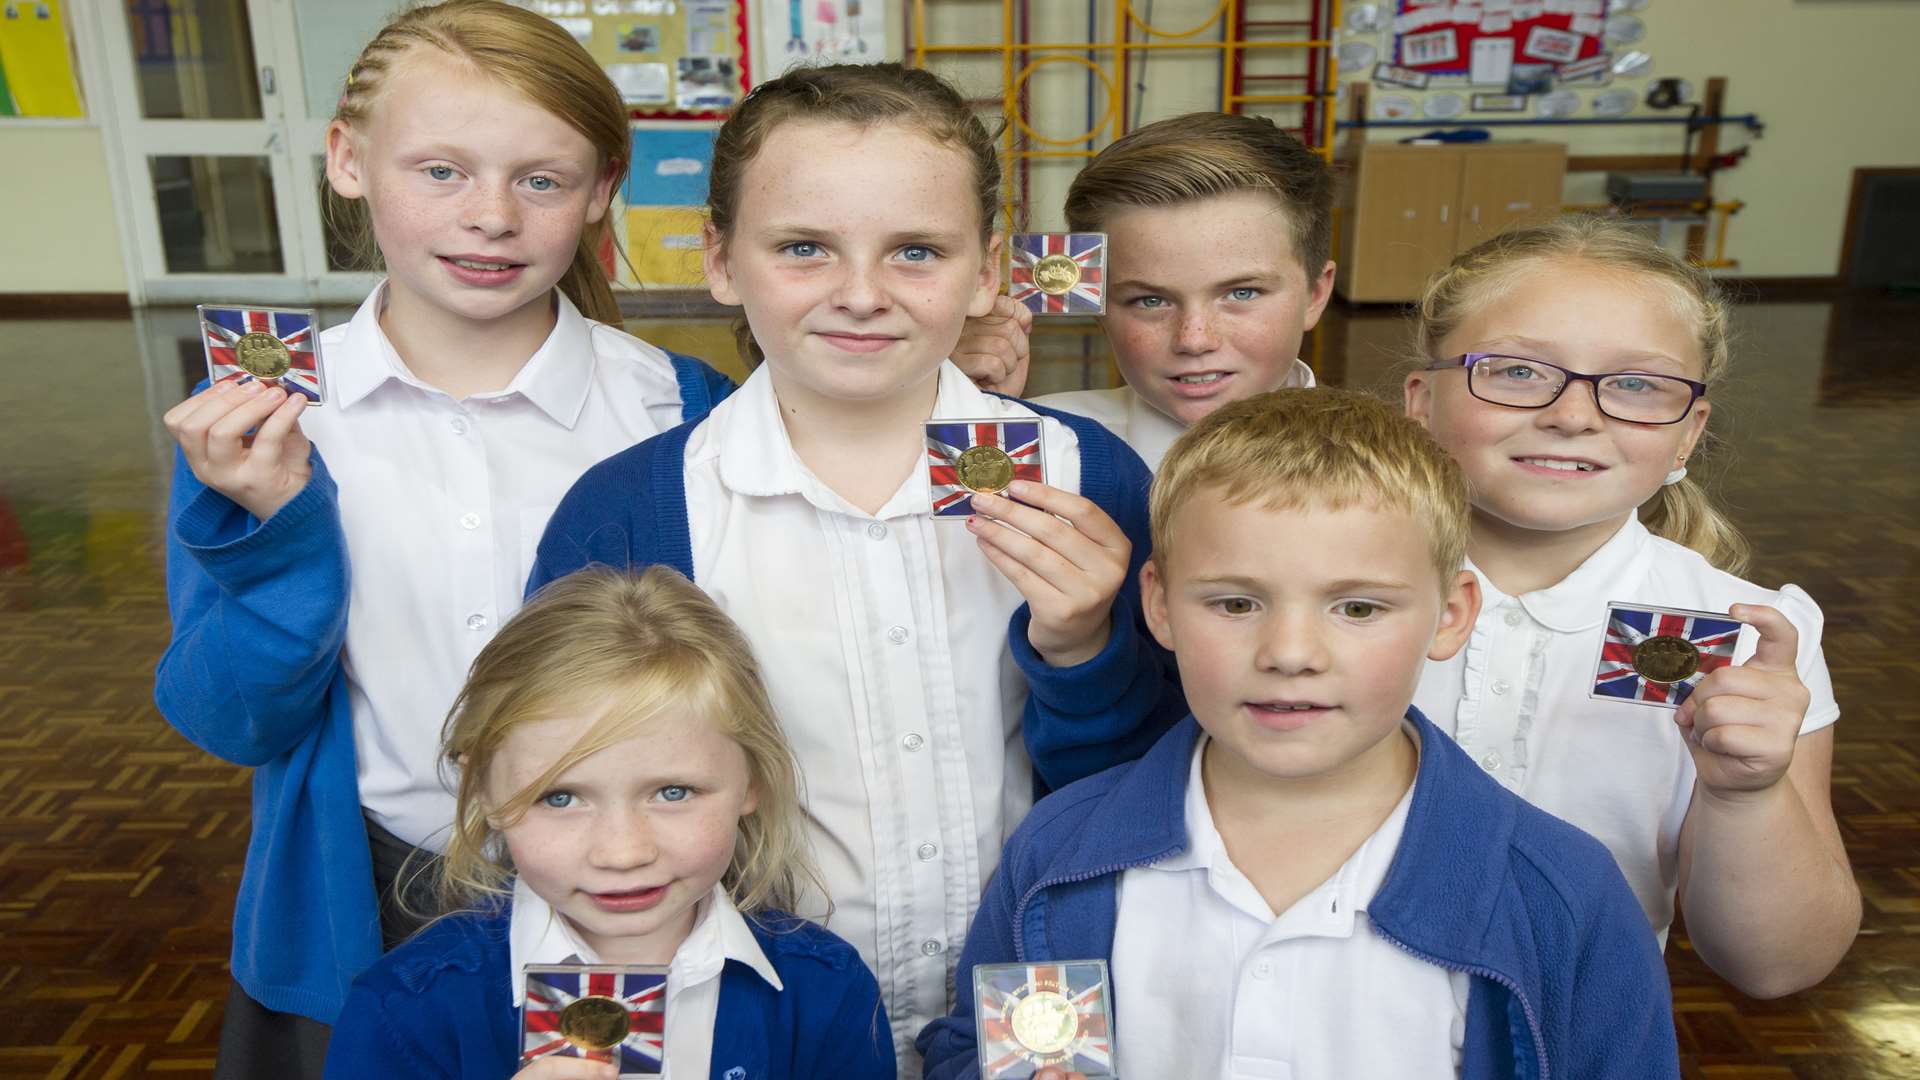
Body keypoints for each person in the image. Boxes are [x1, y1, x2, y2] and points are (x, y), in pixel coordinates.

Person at [526, 62, 1178, 1067]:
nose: (862, 295)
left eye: (916, 250)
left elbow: (1157, 782)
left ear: (989, 268)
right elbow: (568, 812)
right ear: (721, 261)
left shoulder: (1088, 478)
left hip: (1039, 1000)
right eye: (803, 248)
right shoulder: (629, 514)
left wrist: (1084, 651)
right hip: (759, 1013)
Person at [154, 4, 731, 1074]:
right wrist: (279, 537)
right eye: (441, 172)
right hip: (370, 902)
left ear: (602, 190)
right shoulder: (264, 423)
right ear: (347, 162)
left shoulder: (679, 411)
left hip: (637, 894)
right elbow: (225, 718)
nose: (493, 218)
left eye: (542, 180)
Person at [920, 388, 1679, 1080]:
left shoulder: (1561, 894)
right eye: (1236, 604)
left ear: (1450, 616)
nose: (1289, 654)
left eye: (1357, 609)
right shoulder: (1061, 856)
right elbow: (982, 1047)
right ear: (1158, 607)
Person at [1404, 216, 1859, 998]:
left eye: (1638, 385)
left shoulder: (1750, 636)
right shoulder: (1315, 591)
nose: (1574, 415)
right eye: (1516, 371)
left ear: (1688, 435)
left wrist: (1745, 794)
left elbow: (1778, 964)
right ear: (1421, 400)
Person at [324, 567, 893, 1079]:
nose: (622, 853)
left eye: (674, 792)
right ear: (485, 792)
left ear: (754, 782)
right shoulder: (407, 1009)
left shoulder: (826, 990)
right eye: (562, 799)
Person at [956, 112, 1335, 469]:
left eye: (1241, 294)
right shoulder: (1043, 442)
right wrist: (968, 411)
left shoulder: (1389, 467)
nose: (1195, 339)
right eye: (1150, 301)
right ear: (1099, 308)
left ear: (1316, 294)